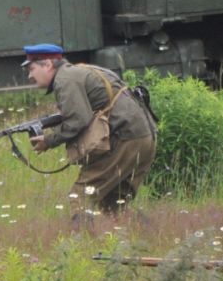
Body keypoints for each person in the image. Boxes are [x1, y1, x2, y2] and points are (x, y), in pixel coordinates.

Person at [22, 43, 156, 217]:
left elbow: (78, 120)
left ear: (47, 64)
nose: (30, 76)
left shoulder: (65, 79)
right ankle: (145, 238)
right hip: (144, 138)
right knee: (114, 205)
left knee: (80, 196)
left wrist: (48, 141)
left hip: (124, 139)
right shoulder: (81, 71)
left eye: (31, 69)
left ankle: (79, 242)